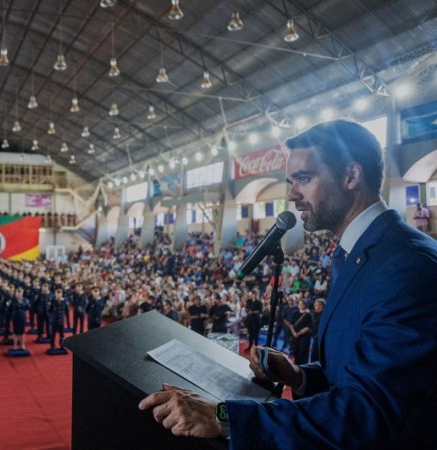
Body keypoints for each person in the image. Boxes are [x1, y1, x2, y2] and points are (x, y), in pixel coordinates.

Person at [139, 120, 437, 448]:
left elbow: (372, 410)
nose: (292, 194)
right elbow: (355, 373)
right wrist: (300, 376)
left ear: (351, 176)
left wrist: (225, 417)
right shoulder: (356, 253)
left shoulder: (404, 265)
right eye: (290, 181)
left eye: (304, 179)